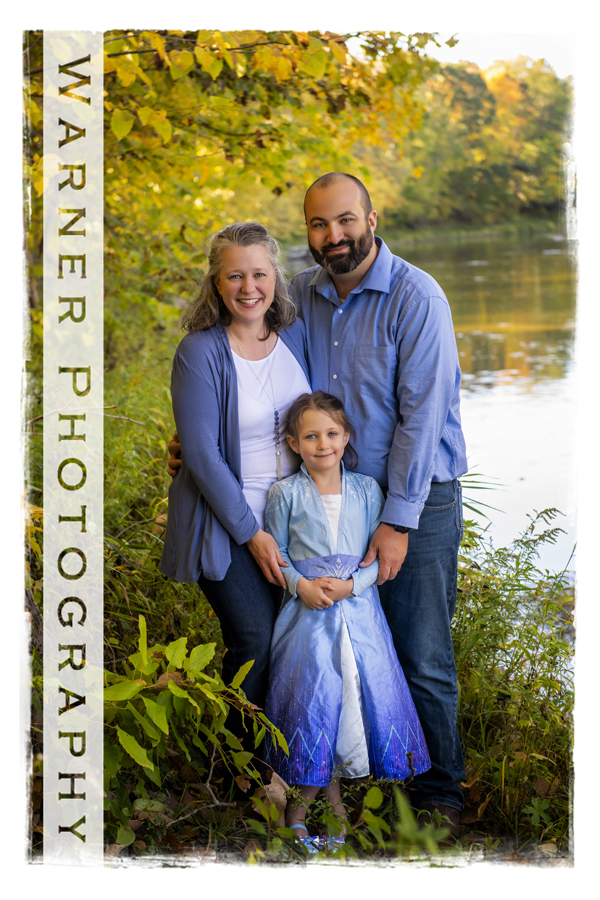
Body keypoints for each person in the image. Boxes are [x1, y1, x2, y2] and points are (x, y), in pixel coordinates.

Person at [168, 172, 468, 837]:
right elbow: (258, 387)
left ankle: (438, 794)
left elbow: (422, 420)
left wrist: (396, 522)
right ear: (306, 233)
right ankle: (319, 779)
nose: (333, 236)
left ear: (371, 216)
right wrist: (193, 438)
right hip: (323, 504)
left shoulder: (416, 297)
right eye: (318, 225)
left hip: (411, 499)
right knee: (336, 647)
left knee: (417, 653)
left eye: (344, 221)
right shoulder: (299, 295)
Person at [159, 222, 312, 744]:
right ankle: (245, 772)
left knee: (297, 640)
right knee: (255, 637)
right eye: (235, 276)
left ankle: (293, 761)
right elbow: (199, 452)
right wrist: (252, 532)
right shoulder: (200, 352)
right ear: (216, 284)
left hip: (294, 521)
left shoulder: (296, 338)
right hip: (226, 523)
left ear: (276, 279)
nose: (249, 288)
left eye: (259, 274)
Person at [263, 391, 430, 855]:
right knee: (315, 704)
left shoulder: (365, 490)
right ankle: (295, 813)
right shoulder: (285, 494)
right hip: (308, 622)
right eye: (311, 436)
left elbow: (379, 562)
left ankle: (335, 813)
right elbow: (277, 555)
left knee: (351, 709)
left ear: (346, 436)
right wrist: (301, 586)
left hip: (359, 619)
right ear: (294, 443)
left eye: (332, 434)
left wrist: (353, 586)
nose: (323, 444)